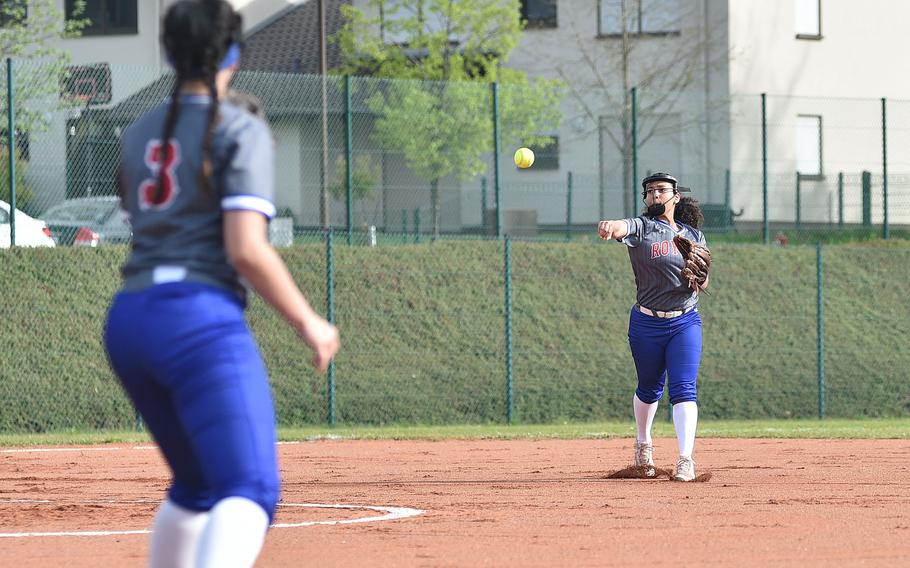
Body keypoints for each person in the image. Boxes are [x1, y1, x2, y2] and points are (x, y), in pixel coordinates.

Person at [104, 1, 340, 566]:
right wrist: (311, 322)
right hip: (196, 320)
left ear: (168, 52)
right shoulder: (239, 125)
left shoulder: (138, 130)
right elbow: (246, 249)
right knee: (250, 489)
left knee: (196, 487)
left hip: (131, 320)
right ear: (234, 52)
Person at [596, 172, 708, 482]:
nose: (655, 195)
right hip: (646, 322)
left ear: (675, 197)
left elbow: (704, 281)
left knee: (684, 388)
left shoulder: (693, 237)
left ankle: (685, 459)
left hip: (685, 320)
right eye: (650, 192)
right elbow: (623, 227)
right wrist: (610, 225)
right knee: (649, 388)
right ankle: (643, 445)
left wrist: (699, 275)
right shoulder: (643, 228)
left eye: (661, 190)